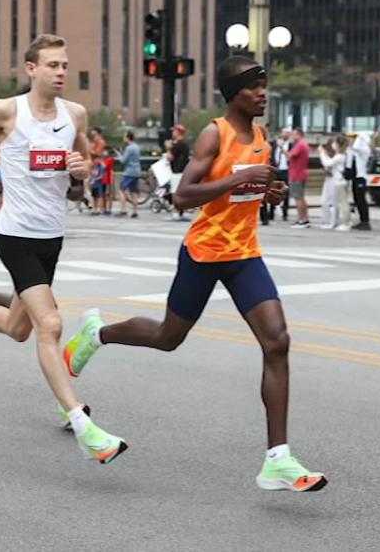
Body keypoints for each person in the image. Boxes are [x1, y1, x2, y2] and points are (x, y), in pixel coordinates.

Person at [62, 56, 327, 490]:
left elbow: (248, 194)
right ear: (234, 93)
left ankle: (278, 459)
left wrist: (268, 190)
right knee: (168, 338)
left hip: (244, 254)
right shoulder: (213, 134)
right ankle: (97, 334)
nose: (262, 93)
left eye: (264, 86)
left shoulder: (260, 135)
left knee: (277, 342)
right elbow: (183, 196)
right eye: (253, 87)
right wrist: (239, 183)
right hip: (204, 253)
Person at [0, 34, 127, 464]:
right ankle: (82, 424)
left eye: (64, 66)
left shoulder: (75, 115)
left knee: (19, 328)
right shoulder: (5, 111)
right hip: (15, 235)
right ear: (31, 68)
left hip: (51, 238)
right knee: (50, 326)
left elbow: (78, 187)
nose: (60, 73)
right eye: (52, 65)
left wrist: (81, 172)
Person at [262, 128, 291, 224]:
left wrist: (283, 147)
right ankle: (271, 213)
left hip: (286, 170)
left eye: (288, 133)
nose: (286, 134)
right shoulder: (274, 144)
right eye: (284, 133)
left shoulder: (291, 145)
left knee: (285, 191)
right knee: (272, 190)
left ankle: (285, 212)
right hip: (276, 169)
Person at [346, 131, 374, 230]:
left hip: (361, 177)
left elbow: (357, 148)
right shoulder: (352, 150)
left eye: (354, 138)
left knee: (362, 200)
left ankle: (365, 221)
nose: (351, 140)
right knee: (357, 199)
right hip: (355, 177)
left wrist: (359, 138)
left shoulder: (364, 149)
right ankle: (361, 220)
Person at [319, 138, 348, 230]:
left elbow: (328, 163)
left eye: (335, 143)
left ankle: (334, 222)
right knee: (324, 201)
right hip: (330, 179)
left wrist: (322, 153)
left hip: (337, 180)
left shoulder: (340, 156)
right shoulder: (336, 155)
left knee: (334, 202)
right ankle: (327, 221)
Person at [166, 123, 191, 221]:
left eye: (174, 131)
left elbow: (170, 158)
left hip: (176, 171)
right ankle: (184, 211)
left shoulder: (177, 145)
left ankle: (176, 212)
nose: (172, 133)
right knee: (184, 193)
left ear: (178, 132)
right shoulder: (185, 144)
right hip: (185, 170)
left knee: (175, 192)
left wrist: (168, 148)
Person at [288, 128, 312, 228]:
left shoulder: (300, 145)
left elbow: (290, 155)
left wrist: (282, 148)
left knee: (298, 198)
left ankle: (301, 219)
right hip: (301, 173)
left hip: (296, 174)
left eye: (294, 134)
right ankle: (305, 218)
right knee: (301, 197)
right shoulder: (305, 144)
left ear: (299, 134)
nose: (292, 137)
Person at [116, 131, 142, 217]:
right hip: (137, 171)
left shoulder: (129, 148)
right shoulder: (137, 147)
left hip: (129, 171)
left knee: (121, 190)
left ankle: (123, 210)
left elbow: (123, 160)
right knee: (134, 191)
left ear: (128, 138)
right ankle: (135, 211)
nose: (124, 138)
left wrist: (119, 154)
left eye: (124, 137)